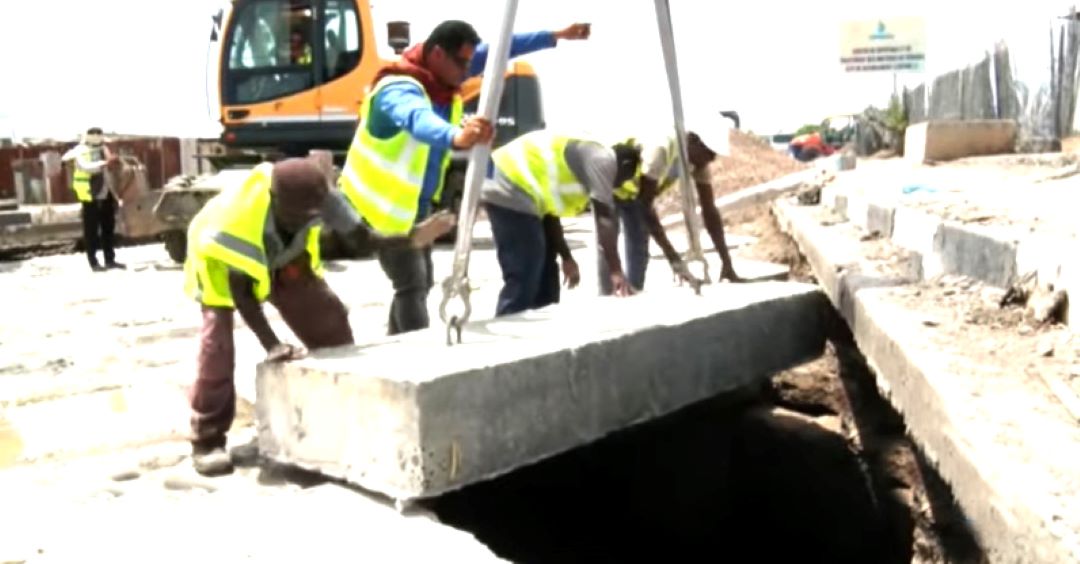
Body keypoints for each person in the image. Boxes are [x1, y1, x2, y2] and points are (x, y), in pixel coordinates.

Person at [183, 157, 455, 476]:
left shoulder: (321, 197)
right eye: (297, 217)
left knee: (330, 322)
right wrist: (273, 344)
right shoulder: (235, 222)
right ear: (276, 202)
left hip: (284, 255)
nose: (305, 222)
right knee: (217, 347)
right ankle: (207, 438)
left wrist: (410, 237)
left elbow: (361, 238)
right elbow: (243, 295)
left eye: (312, 217)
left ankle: (343, 410)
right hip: (219, 261)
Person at [338, 19, 592, 335]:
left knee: (419, 280)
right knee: (413, 282)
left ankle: (396, 339)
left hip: (412, 206)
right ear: (438, 56)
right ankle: (414, 356)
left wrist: (555, 36)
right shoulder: (397, 88)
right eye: (462, 62)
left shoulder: (444, 78)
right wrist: (456, 136)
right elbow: (417, 118)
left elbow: (502, 49)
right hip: (377, 209)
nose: (469, 69)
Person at [482, 130, 641, 316]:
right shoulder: (604, 160)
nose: (618, 185)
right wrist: (616, 271)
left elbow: (550, 215)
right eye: (624, 179)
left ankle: (540, 331)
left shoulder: (586, 167)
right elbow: (604, 219)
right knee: (527, 265)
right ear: (624, 165)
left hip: (521, 190)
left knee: (547, 271)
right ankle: (509, 321)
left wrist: (566, 257)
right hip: (508, 179)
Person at [598, 118, 744, 294]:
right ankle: (607, 297)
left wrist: (726, 262)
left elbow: (709, 210)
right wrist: (674, 259)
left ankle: (631, 294)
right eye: (709, 153)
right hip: (608, 185)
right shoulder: (661, 149)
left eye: (714, 156)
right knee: (608, 244)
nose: (711, 160)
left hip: (633, 194)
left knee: (639, 250)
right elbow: (645, 208)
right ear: (692, 141)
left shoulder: (698, 160)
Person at [64, 127, 123, 272]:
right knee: (91, 231)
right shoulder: (80, 150)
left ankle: (110, 259)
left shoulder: (104, 148)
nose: (97, 136)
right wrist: (104, 163)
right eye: (94, 133)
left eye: (99, 133)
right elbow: (85, 167)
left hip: (106, 193)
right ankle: (94, 262)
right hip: (90, 194)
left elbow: (110, 166)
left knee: (108, 228)